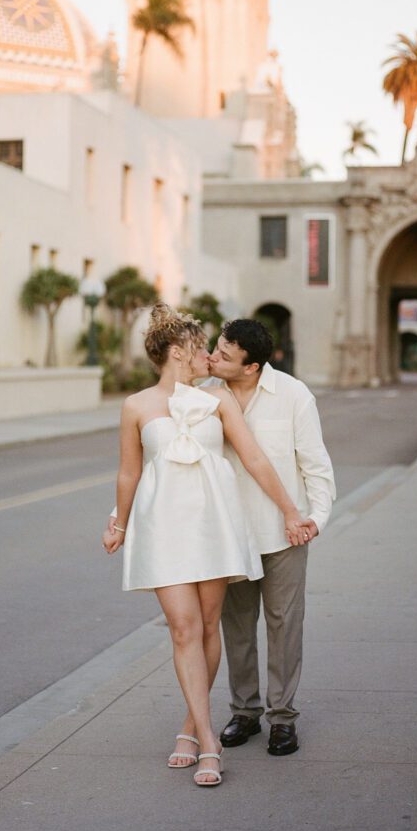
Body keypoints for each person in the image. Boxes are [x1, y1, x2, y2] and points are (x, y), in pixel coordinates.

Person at [102, 304, 307, 787]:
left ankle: (190, 728)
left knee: (209, 625)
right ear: (178, 352)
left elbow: (253, 458)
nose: (208, 356)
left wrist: (291, 510)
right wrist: (119, 522)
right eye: (201, 348)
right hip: (163, 528)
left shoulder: (219, 401)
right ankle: (209, 738)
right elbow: (129, 471)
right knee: (182, 628)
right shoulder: (135, 405)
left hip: (214, 525)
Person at [207, 319, 336, 757]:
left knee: (284, 627)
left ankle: (282, 719)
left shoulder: (293, 395)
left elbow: (315, 463)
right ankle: (245, 712)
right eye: (217, 347)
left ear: (252, 367)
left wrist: (315, 517)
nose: (214, 357)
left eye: (225, 355)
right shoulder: (205, 397)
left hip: (285, 534)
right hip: (230, 535)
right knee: (237, 629)